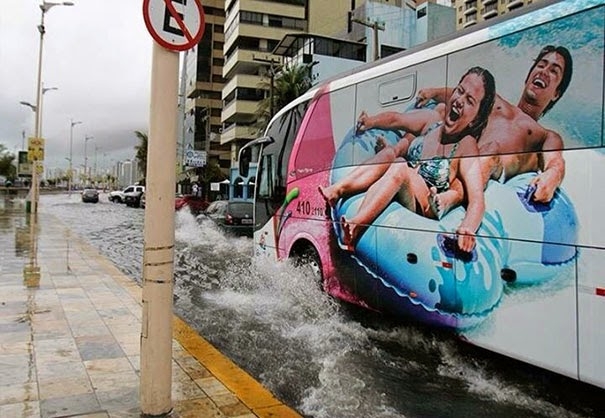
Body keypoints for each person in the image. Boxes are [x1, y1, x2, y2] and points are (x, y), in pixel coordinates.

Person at [321, 67, 496, 253]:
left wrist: (468, 228)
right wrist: (371, 122)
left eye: (469, 101)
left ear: (475, 119)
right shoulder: (432, 122)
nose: (460, 101)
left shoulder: (466, 145)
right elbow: (397, 119)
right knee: (392, 158)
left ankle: (356, 225)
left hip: (425, 204)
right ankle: (338, 190)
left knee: (400, 166)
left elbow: (477, 199)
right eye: (460, 91)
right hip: (403, 183)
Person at [416, 45, 572, 211]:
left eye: (554, 71)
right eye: (541, 65)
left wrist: (553, 175)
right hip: (464, 157)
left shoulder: (546, 135)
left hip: (492, 163)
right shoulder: (495, 101)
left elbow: (555, 161)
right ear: (528, 77)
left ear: (556, 93)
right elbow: (462, 93)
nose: (544, 71)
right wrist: (432, 92)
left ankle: (451, 197)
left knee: (492, 151)